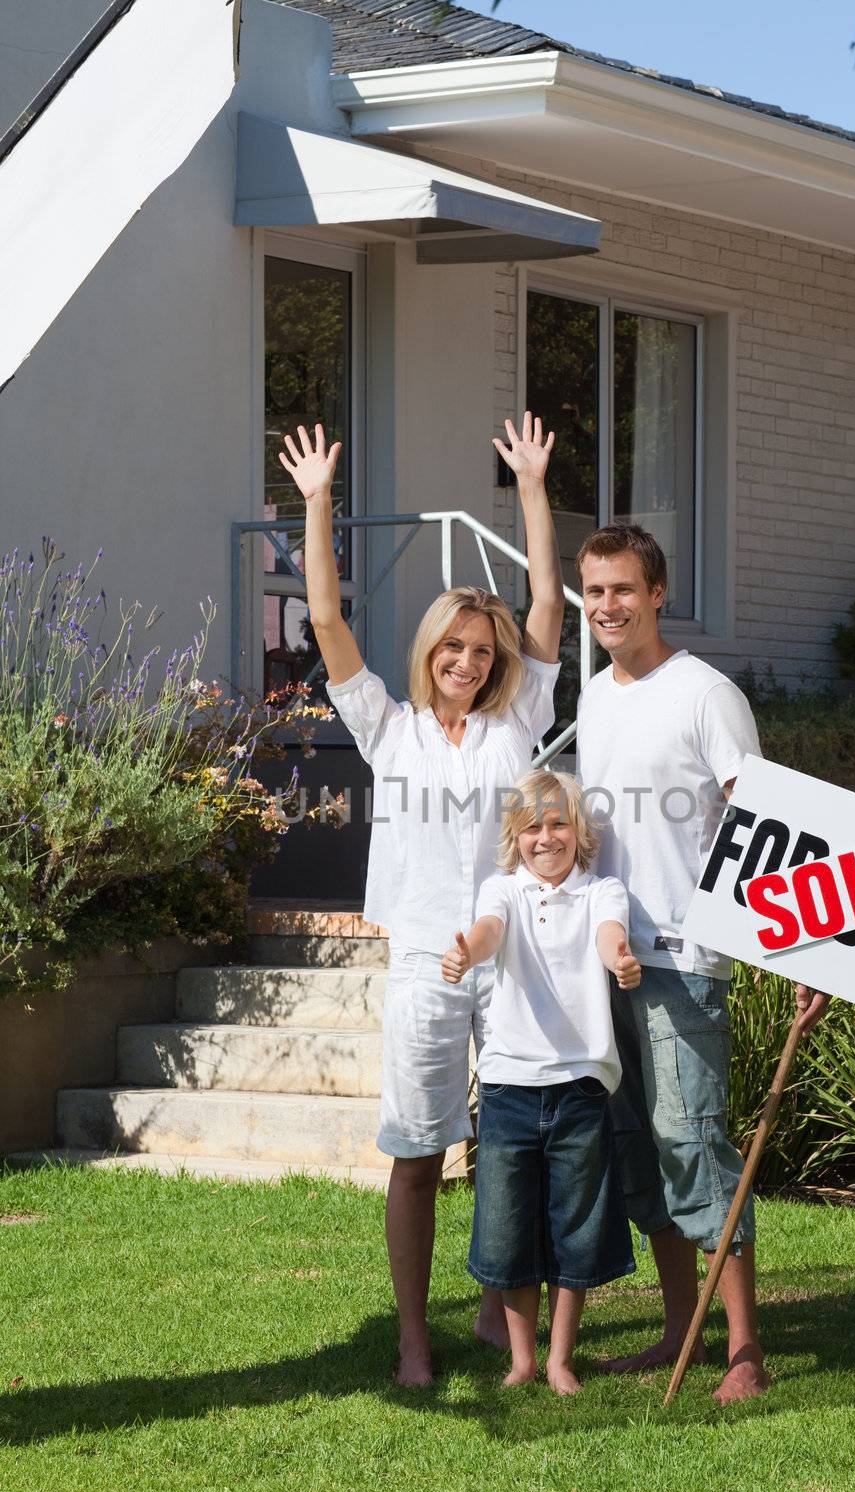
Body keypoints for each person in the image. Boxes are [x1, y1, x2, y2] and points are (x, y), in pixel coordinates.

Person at [279, 414, 564, 1386]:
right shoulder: (386, 729)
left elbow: (546, 606)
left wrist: (529, 486)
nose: (470, 662)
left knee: (511, 1143)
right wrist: (318, 503)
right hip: (418, 964)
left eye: (483, 652)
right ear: (431, 648)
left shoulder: (518, 721)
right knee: (416, 1150)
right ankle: (412, 1337)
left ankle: (493, 1315)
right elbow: (325, 622)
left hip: (512, 954)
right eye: (456, 647)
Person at [573, 523, 828, 1404]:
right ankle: (677, 1328)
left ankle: (744, 1350)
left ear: (657, 592)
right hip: (609, 961)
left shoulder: (704, 694)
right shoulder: (594, 697)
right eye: (594, 591)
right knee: (641, 1150)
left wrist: (802, 947)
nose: (607, 606)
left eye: (622, 590)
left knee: (697, 1146)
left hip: (686, 958)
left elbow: (761, 821)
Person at [442, 769, 639, 1394]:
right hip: (508, 1088)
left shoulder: (602, 892)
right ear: (515, 837)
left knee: (575, 1226)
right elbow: (490, 930)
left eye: (558, 825)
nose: (546, 838)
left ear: (578, 833)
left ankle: (559, 1359)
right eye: (533, 828)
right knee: (508, 1227)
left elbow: (611, 936)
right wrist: (468, 950)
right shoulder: (501, 891)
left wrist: (620, 959)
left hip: (580, 1087)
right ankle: (521, 1359)